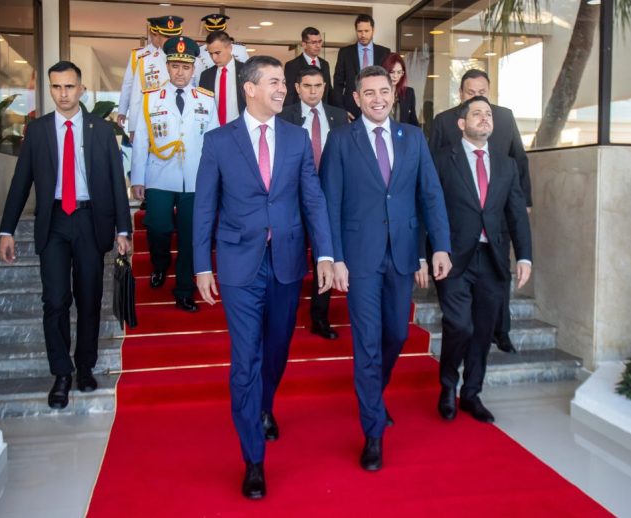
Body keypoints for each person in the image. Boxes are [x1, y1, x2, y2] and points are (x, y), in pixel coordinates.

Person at [193, 56, 334, 499]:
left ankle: (264, 406)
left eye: (283, 83)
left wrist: (326, 253)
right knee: (245, 358)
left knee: (277, 349)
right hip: (239, 262)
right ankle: (253, 458)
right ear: (249, 88)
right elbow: (204, 206)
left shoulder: (295, 139)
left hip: (288, 259)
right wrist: (201, 264)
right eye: (274, 82)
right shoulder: (218, 141)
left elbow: (313, 199)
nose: (283, 90)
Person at [320, 66, 452, 471]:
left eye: (385, 91)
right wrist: (334, 257)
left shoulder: (412, 137)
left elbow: (430, 194)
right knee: (367, 344)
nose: (378, 98)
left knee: (396, 332)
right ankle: (373, 431)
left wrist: (439, 248)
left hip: (402, 254)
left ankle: (374, 394)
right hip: (358, 258)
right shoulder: (341, 139)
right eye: (369, 92)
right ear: (356, 99)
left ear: (394, 95)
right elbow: (329, 202)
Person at [0, 61, 132, 409]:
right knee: (55, 301)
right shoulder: (38, 131)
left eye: (69, 87)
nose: (63, 94)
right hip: (54, 221)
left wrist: (123, 228)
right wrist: (6, 229)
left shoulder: (101, 131)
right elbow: (20, 183)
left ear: (81, 89)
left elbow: (117, 183)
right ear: (50, 89)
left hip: (89, 221)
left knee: (88, 300)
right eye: (56, 87)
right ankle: (61, 372)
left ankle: (85, 367)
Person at [432, 95, 532, 424]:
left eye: (488, 114)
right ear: (462, 124)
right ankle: (448, 385)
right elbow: (428, 207)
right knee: (459, 324)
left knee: (483, 330)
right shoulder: (442, 160)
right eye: (477, 114)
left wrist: (525, 257)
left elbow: (517, 213)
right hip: (454, 257)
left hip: (492, 258)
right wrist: (430, 251)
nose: (484, 119)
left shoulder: (506, 163)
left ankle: (472, 393)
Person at [131, 36, 218, 312]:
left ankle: (183, 289)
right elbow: (142, 140)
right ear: (167, 67)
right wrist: (137, 179)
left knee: (191, 234)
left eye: (186, 67)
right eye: (175, 66)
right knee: (157, 225)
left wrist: (216, 179)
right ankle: (159, 263)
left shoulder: (205, 99)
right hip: (160, 175)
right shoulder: (150, 99)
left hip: (195, 179)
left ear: (194, 70)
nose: (180, 73)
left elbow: (214, 141)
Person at [279, 66, 348, 340]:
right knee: (292, 257)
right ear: (297, 87)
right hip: (293, 198)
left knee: (325, 255)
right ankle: (285, 311)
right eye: (307, 85)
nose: (313, 91)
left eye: (318, 85)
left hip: (329, 199)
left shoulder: (340, 117)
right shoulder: (284, 117)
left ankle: (319, 317)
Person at [127, 16, 184, 136]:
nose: (170, 40)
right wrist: (133, 128)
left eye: (174, 37)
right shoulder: (145, 62)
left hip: (183, 121)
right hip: (155, 123)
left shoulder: (193, 62)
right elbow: (136, 97)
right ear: (158, 36)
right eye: (166, 36)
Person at [332, 14, 391, 120]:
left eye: (366, 31)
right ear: (356, 31)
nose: (363, 35)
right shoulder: (345, 52)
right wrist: (341, 110)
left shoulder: (384, 52)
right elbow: (338, 83)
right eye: (360, 31)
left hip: (377, 106)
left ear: (373, 30)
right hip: (350, 109)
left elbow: (388, 81)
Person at [116, 17, 167, 129]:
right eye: (155, 35)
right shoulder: (139, 55)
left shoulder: (172, 54)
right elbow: (128, 85)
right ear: (150, 33)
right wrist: (122, 110)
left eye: (161, 35)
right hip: (142, 111)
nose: (158, 38)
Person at [198, 31, 246, 126]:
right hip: (214, 130)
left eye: (217, 53)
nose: (214, 58)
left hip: (241, 128)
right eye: (210, 54)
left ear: (229, 48)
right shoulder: (206, 76)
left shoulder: (246, 71)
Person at [283, 27, 332, 107]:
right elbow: (289, 95)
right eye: (313, 42)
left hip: (322, 112)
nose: (318, 46)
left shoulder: (325, 64)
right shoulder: (292, 65)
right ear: (304, 44)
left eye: (319, 42)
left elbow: (329, 91)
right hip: (300, 113)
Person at [381, 53, 419, 127]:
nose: (395, 76)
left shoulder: (409, 93)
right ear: (384, 71)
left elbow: (413, 120)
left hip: (402, 136)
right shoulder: (376, 93)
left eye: (399, 72)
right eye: (392, 72)